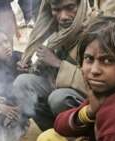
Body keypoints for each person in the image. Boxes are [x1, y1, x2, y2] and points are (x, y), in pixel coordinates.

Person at [37, 16, 115, 141]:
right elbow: (60, 126)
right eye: (89, 59)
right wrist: (90, 111)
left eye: (107, 60)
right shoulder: (110, 91)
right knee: (49, 137)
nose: (94, 70)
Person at [12, 0, 98, 131]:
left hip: (93, 101)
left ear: (81, 5)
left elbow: (101, 84)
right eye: (56, 10)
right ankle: (55, 132)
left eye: (70, 7)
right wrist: (31, 68)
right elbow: (49, 75)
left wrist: (58, 64)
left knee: (58, 98)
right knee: (23, 82)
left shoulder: (98, 31)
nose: (63, 16)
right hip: (61, 90)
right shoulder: (59, 34)